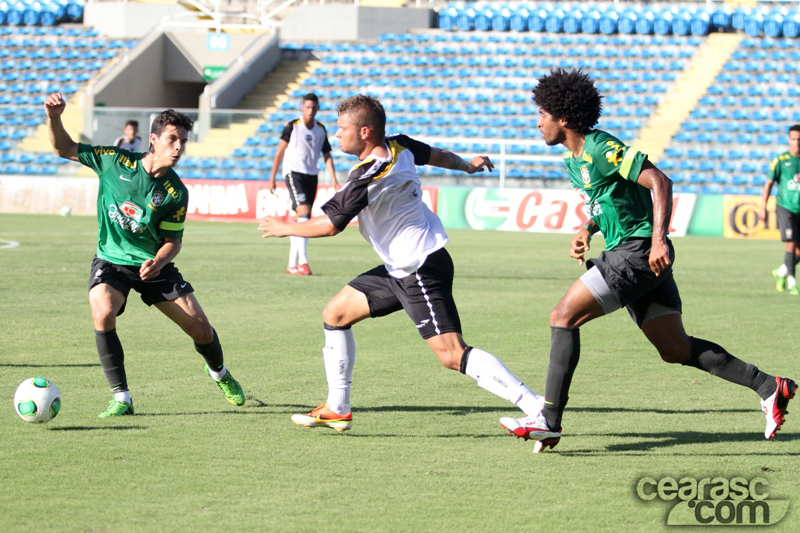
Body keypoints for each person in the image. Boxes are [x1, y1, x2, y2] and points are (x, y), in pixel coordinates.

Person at [498, 69, 797, 453]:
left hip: (638, 254)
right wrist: (588, 229)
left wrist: (659, 239)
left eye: (542, 114)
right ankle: (769, 386)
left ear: (564, 118)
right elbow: (612, 201)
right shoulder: (575, 162)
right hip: (633, 254)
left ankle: (548, 420)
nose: (537, 122)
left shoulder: (601, 148)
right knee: (675, 349)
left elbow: (659, 181)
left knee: (562, 316)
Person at [259, 94, 543, 433]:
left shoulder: (369, 175)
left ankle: (535, 406)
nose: (337, 135)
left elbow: (331, 225)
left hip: (418, 268)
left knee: (452, 355)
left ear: (364, 132)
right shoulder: (400, 146)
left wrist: (284, 228)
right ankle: (337, 407)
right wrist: (467, 164)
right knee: (335, 314)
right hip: (402, 267)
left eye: (341, 129)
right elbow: (438, 156)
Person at [44, 92, 245, 417]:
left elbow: (172, 241)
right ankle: (121, 397)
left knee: (202, 332)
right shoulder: (113, 160)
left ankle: (219, 373)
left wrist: (160, 261)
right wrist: (54, 117)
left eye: (183, 141)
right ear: (153, 139)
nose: (179, 147)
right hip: (111, 260)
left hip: (154, 265)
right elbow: (63, 148)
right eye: (172, 139)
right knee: (103, 312)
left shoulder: (175, 191)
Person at [267, 93, 338, 275]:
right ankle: (304, 262)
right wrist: (272, 177)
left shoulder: (321, 129)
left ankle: (292, 265)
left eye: (313, 108)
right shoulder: (292, 126)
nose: (310, 111)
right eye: (307, 107)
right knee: (304, 213)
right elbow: (279, 152)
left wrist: (334, 180)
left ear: (318, 109)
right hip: (294, 173)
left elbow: (327, 156)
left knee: (300, 218)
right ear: (302, 107)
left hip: (311, 175)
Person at [761, 125, 800, 295]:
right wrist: (763, 207)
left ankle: (782, 271)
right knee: (790, 244)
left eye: (799, 140)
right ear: (789, 139)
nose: (797, 143)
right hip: (786, 207)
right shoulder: (781, 160)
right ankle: (792, 282)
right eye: (793, 139)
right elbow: (769, 183)